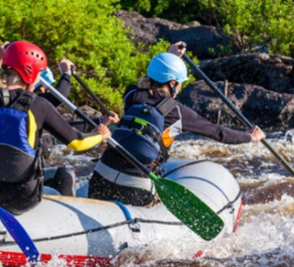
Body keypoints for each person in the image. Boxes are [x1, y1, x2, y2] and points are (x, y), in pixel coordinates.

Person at [88, 42, 265, 206]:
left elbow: (150, 77)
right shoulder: (178, 112)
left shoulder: (131, 94)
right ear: (172, 83)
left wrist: (171, 57)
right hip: (136, 184)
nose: (180, 88)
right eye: (180, 83)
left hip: (102, 173)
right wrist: (250, 136)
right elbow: (218, 132)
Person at [0, 40, 114, 214]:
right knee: (65, 175)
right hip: (20, 197)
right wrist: (100, 135)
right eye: (38, 74)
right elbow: (77, 143)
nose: (38, 79)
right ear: (30, 72)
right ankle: (67, 222)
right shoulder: (38, 105)